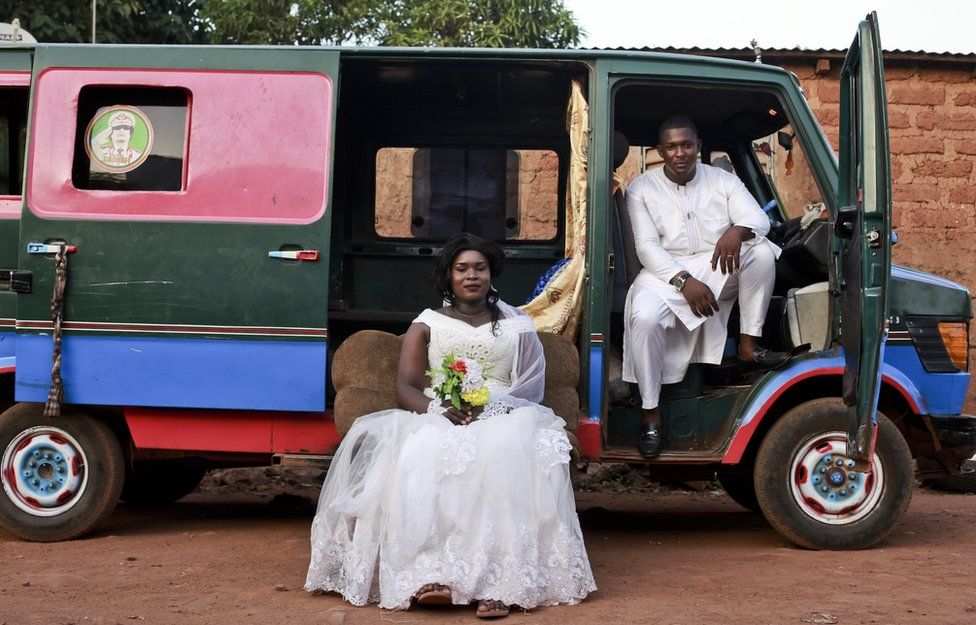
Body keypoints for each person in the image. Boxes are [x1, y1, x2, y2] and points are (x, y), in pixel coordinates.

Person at [305, 233, 596, 618]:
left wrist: (496, 409)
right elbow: (406, 388)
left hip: (506, 412)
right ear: (449, 275)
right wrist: (439, 410)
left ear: (492, 274)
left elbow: (530, 387)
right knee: (425, 453)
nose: (471, 276)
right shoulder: (427, 324)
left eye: (480, 268)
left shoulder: (517, 325)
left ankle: (499, 584)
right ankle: (433, 576)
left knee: (504, 451)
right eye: (462, 269)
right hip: (441, 411)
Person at [623, 116, 787, 458]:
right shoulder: (641, 187)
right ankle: (651, 415)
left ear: (698, 146)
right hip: (663, 272)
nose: (679, 153)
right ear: (659, 151)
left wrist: (736, 232)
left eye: (686, 145)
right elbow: (646, 247)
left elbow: (759, 220)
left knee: (760, 250)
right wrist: (683, 281)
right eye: (671, 147)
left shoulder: (724, 180)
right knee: (645, 317)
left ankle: (748, 345)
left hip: (715, 264)